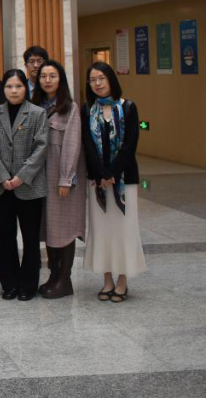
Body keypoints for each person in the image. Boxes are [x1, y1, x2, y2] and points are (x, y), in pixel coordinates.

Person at [82, 62, 146, 302]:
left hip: (124, 180)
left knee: (123, 230)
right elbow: (88, 145)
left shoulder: (128, 107)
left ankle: (122, 281)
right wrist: (101, 174)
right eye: (92, 80)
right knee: (102, 231)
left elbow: (130, 144)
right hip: (97, 182)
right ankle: (107, 279)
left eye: (101, 78)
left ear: (111, 79)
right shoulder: (87, 110)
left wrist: (112, 173)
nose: (97, 83)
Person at [0, 70, 48, 301]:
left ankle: (28, 285)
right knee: (4, 237)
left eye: (18, 86)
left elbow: (41, 147)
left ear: (26, 88)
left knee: (30, 238)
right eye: (9, 86)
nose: (14, 91)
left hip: (29, 186)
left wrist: (21, 176)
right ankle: (9, 283)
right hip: (1, 186)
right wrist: (2, 176)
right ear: (4, 89)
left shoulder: (37, 113)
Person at [31, 60, 87, 299]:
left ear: (61, 79)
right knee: (49, 228)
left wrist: (66, 178)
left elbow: (73, 145)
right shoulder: (36, 106)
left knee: (63, 228)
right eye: (43, 76)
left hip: (62, 179)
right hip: (40, 178)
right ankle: (54, 277)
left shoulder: (69, 108)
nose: (47, 80)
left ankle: (65, 280)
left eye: (52, 76)